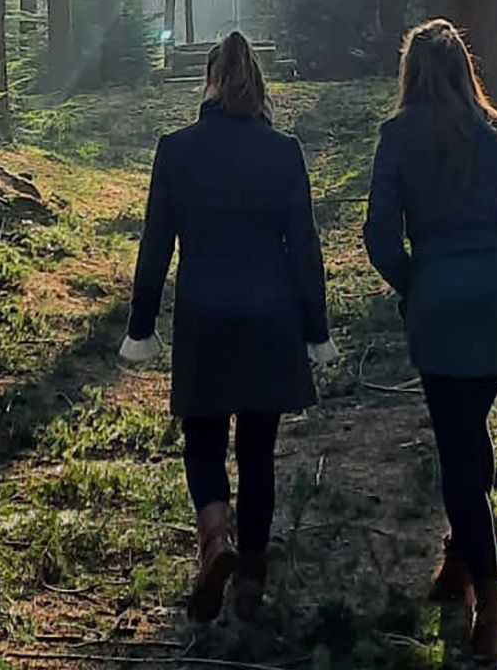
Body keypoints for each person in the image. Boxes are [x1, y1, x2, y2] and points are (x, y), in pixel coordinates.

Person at [120, 31, 338, 624]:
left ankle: (215, 540)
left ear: (209, 83)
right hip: (270, 318)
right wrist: (316, 328)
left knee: (204, 440)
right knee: (260, 451)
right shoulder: (283, 151)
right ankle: (252, 580)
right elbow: (305, 249)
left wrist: (141, 324)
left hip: (205, 316)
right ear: (259, 87)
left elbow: (156, 245)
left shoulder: (176, 150)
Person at [365, 20, 497, 663]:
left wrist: (415, 281)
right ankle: (457, 564)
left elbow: (381, 239)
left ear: (410, 73)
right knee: (470, 433)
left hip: (440, 303)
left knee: (458, 452)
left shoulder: (397, 137)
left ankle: (491, 599)